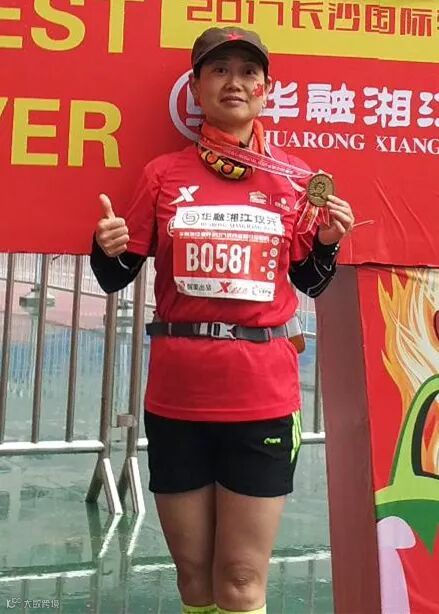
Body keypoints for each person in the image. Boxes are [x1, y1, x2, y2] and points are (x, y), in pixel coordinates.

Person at [91, 26, 354, 614]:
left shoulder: (294, 179)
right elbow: (116, 276)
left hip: (262, 400)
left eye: (248, 72)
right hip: (178, 400)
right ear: (195, 88)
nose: (234, 82)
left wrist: (328, 244)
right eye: (219, 70)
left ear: (267, 89)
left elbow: (309, 281)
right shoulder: (163, 174)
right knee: (193, 578)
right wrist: (105, 248)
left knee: (239, 578)